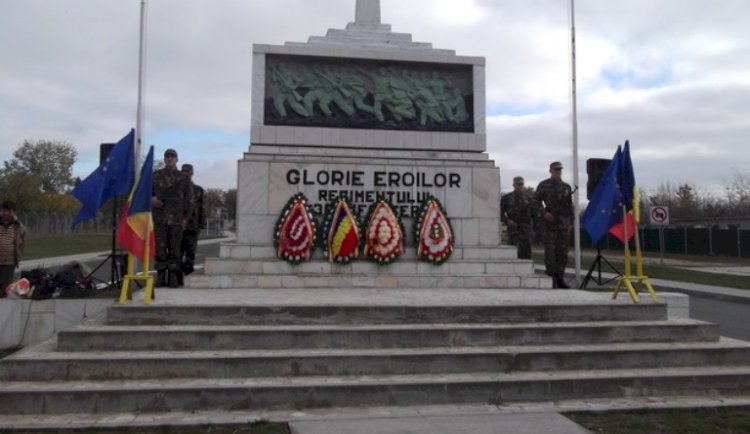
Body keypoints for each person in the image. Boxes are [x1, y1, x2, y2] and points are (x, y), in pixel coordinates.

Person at [152, 149, 193, 288]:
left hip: (176, 218)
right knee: (160, 248)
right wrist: (151, 199)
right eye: (167, 157)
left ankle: (173, 275)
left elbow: (189, 199)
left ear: (177, 159)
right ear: (164, 159)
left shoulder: (183, 177)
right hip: (159, 217)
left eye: (172, 157)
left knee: (175, 248)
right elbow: (147, 193)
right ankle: (161, 275)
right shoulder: (156, 176)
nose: (169, 159)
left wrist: (185, 218)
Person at [535, 162, 574, 288]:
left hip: (563, 225)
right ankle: (551, 279)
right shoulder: (544, 185)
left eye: (559, 170)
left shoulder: (566, 187)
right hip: (550, 225)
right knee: (550, 254)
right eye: (555, 170)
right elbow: (535, 202)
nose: (558, 172)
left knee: (562, 253)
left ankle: (560, 279)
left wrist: (571, 222)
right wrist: (544, 213)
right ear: (550, 171)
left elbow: (570, 206)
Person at [501, 176, 540, 260]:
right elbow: (500, 213)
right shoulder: (506, 198)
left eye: (521, 184)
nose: (520, 186)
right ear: (514, 185)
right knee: (512, 254)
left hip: (526, 230)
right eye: (518, 184)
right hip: (513, 230)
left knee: (526, 255)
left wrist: (535, 230)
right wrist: (508, 221)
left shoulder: (529, 199)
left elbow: (535, 215)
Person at [178, 164, 205, 284]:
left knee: (190, 255)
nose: (186, 174)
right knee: (176, 255)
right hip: (177, 228)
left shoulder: (198, 190)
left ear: (192, 173)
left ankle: (188, 279)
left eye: (188, 172)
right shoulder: (175, 189)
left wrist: (201, 225)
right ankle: (176, 280)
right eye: (184, 172)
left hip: (192, 228)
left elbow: (201, 209)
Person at [0, 201, 26, 296]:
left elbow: (23, 232)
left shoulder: (17, 225)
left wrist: (16, 219)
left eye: (8, 211)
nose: (6, 213)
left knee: (6, 287)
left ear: (12, 212)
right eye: (3, 210)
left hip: (9, 262)